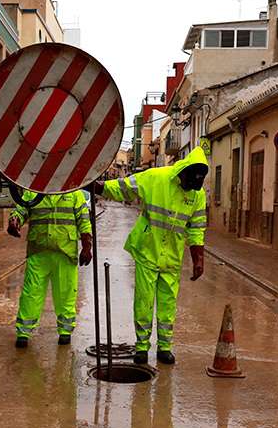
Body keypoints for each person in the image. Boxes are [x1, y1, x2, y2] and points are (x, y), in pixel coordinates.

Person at [88, 146, 208, 365]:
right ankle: (142, 347)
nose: (191, 190)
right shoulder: (155, 177)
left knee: (167, 304)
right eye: (190, 185)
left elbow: (197, 227)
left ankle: (164, 347)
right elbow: (123, 187)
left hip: (172, 256)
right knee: (144, 300)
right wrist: (97, 187)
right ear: (184, 172)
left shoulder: (197, 194)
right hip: (147, 250)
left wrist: (198, 258)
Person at [8, 190, 93, 348]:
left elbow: (84, 220)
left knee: (66, 292)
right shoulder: (33, 192)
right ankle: (23, 332)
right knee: (31, 293)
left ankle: (65, 331)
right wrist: (15, 220)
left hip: (65, 252)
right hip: (39, 250)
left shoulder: (74, 193)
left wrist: (87, 245)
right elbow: (21, 209)